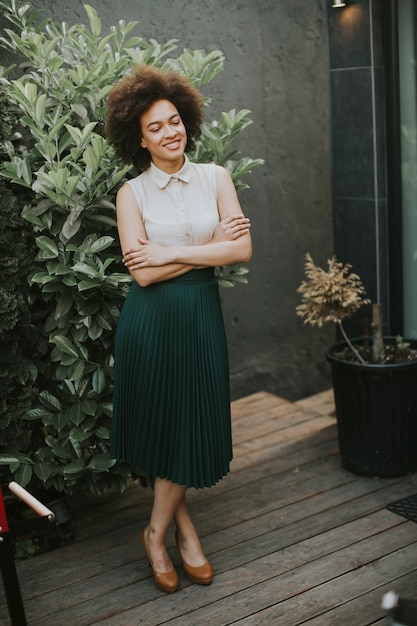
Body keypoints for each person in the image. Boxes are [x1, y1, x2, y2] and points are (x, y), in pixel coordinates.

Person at [105, 65, 252, 594]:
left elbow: (240, 249)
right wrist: (205, 248)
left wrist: (173, 251)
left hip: (199, 317)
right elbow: (143, 272)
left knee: (192, 419)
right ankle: (178, 536)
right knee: (170, 424)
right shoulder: (131, 194)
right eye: (155, 127)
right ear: (139, 139)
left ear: (186, 120)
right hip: (150, 322)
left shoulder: (216, 177)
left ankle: (157, 530)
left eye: (175, 121)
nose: (170, 132)